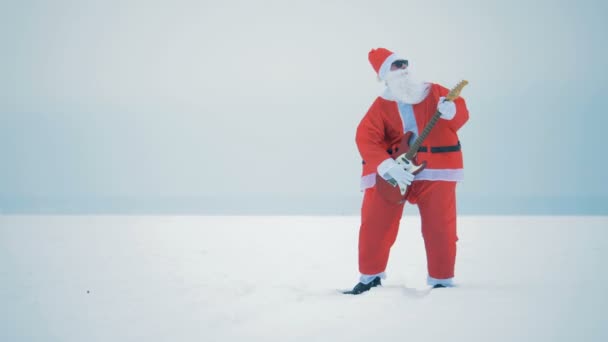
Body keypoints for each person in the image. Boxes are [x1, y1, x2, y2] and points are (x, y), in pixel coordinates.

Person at [344, 47, 469, 295]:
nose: (402, 69)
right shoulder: (381, 106)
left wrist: (453, 111)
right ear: (384, 75)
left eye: (404, 63)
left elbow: (461, 115)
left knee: (440, 226)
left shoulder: (436, 92)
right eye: (395, 65)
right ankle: (370, 278)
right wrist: (387, 166)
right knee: (375, 222)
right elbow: (366, 137)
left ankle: (442, 280)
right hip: (395, 171)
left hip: (437, 169)